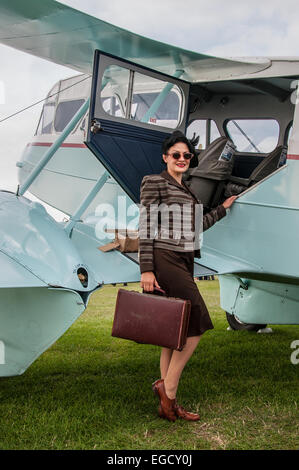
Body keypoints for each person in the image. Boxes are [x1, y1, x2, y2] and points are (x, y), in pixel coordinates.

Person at [139, 131, 237, 422]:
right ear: (165, 157)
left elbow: (195, 227)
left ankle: (167, 406)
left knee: (174, 330)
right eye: (176, 154)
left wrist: (222, 209)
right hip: (165, 257)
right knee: (197, 323)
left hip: (183, 260)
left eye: (187, 155)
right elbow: (145, 224)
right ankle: (167, 389)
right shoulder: (154, 182)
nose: (182, 159)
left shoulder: (189, 191)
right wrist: (146, 268)